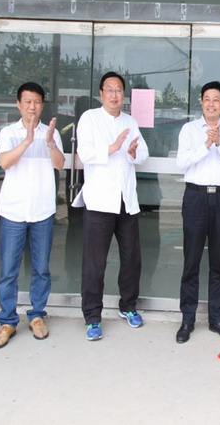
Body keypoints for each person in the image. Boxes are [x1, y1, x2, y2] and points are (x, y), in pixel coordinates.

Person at [73, 71, 149, 341]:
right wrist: (113, 147)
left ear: (123, 94)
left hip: (126, 201)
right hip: (99, 202)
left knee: (132, 259)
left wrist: (133, 153)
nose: (114, 95)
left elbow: (143, 154)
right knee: (95, 263)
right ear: (101, 93)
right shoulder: (90, 118)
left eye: (118, 90)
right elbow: (84, 154)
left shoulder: (130, 121)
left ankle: (128, 306)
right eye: (110, 90)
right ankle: (92, 317)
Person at [0, 82, 65, 349]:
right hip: (13, 210)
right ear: (19, 104)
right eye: (27, 102)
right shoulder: (9, 132)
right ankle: (7, 320)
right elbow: (5, 162)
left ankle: (36, 315)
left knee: (41, 269)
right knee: (8, 270)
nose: (32, 107)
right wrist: (27, 140)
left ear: (43, 105)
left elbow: (60, 164)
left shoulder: (51, 133)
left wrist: (50, 143)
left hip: (42, 211)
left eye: (37, 102)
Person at [174, 81, 220, 343]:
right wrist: (205, 145)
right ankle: (187, 320)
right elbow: (182, 162)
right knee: (191, 261)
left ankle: (217, 319)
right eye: (207, 99)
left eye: (216, 99)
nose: (211, 104)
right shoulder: (189, 130)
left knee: (218, 261)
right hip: (195, 198)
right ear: (201, 102)